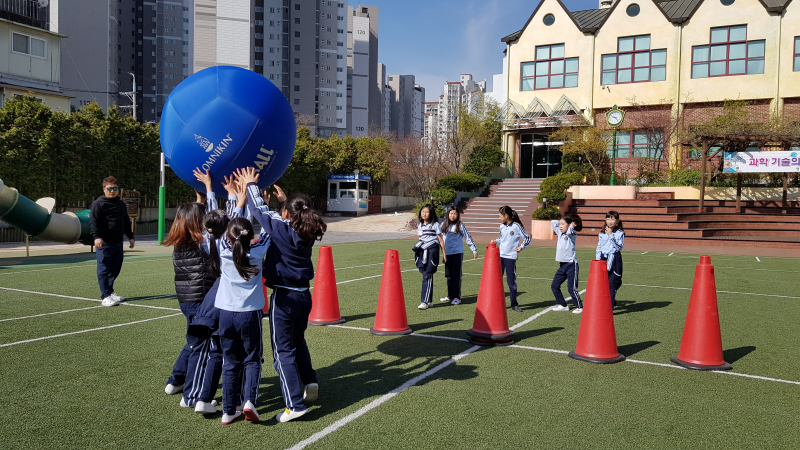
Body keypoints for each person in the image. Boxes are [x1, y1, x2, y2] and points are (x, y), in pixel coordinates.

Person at [239, 168, 326, 423]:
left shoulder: (282, 228)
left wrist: (251, 184)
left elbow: (258, 211)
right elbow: (286, 218)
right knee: (298, 342)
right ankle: (309, 381)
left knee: (282, 351)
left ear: (287, 213)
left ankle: (294, 404)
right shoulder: (306, 231)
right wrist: (285, 204)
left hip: (285, 299)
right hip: (303, 297)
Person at [210, 178, 271, 425]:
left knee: (231, 360)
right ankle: (249, 402)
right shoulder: (257, 252)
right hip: (251, 313)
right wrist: (262, 203)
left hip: (225, 313)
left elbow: (228, 229)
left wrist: (237, 200)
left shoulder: (222, 248)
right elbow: (269, 229)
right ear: (251, 236)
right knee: (253, 358)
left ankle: (228, 410)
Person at [90, 176, 135, 307]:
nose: (112, 191)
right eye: (110, 188)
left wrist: (130, 237)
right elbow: (93, 222)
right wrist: (96, 237)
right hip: (104, 242)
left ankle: (110, 292)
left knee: (115, 267)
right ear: (104, 189)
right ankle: (105, 296)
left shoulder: (120, 204)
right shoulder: (98, 204)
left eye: (115, 188)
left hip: (118, 242)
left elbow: (125, 221)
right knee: (104, 268)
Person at [439, 206, 478, 305]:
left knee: (456, 275)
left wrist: (474, 250)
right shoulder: (443, 225)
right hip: (447, 254)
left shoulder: (460, 225)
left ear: (458, 215)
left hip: (457, 253)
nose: (453, 216)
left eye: (455, 214)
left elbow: (467, 237)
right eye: (451, 213)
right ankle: (450, 295)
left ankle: (457, 297)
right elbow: (438, 238)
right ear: (448, 214)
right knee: (449, 275)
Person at [495, 206, 530, 313]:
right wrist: (495, 240)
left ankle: (514, 304)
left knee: (511, 282)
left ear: (506, 215)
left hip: (510, 257)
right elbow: (503, 238)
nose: (499, 217)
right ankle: (497, 303)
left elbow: (527, 238)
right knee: (497, 281)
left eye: (500, 215)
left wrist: (521, 247)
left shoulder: (516, 226)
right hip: (500, 256)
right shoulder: (501, 226)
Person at [413, 204, 446, 310]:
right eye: (423, 211)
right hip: (423, 252)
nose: (424, 214)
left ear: (431, 213)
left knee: (427, 274)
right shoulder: (420, 225)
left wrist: (444, 254)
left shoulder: (435, 224)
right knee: (426, 274)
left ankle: (425, 301)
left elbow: (440, 240)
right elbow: (420, 238)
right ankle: (430, 300)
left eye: (427, 212)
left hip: (432, 252)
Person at [551, 215, 583, 314]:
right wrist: (562, 219)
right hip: (562, 266)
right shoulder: (560, 233)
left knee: (571, 289)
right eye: (559, 224)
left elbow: (569, 232)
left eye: (563, 224)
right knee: (554, 286)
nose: (560, 226)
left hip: (571, 265)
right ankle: (563, 305)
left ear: (569, 225)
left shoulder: (572, 234)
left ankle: (580, 307)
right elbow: (553, 222)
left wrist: (571, 226)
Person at [596, 211, 625, 309]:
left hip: (615, 259)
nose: (610, 221)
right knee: (604, 283)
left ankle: (609, 307)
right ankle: (612, 301)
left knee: (612, 283)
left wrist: (610, 235)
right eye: (608, 219)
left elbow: (618, 247)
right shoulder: (601, 233)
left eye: (612, 219)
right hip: (604, 259)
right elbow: (599, 247)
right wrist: (598, 260)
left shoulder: (620, 233)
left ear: (617, 221)